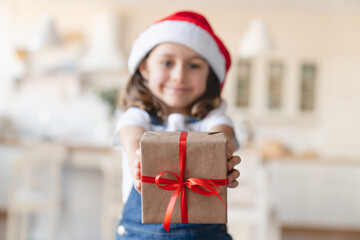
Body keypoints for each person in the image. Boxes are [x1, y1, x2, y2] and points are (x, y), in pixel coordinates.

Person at [112, 10, 241, 240]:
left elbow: (222, 130)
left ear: (209, 75)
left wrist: (222, 153)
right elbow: (131, 136)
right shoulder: (139, 116)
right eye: (167, 62)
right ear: (145, 69)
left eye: (194, 66)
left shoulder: (210, 117)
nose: (179, 75)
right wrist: (139, 162)